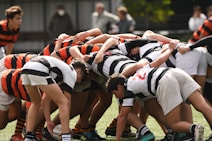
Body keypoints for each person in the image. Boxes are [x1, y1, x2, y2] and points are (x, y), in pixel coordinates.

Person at [106, 66, 212, 141]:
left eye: (114, 93)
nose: (116, 96)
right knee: (203, 106)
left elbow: (122, 117)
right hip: (176, 72)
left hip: (165, 80)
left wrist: (118, 139)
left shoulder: (128, 88)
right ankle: (189, 134)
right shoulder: (138, 75)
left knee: (174, 124)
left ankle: (194, 129)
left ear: (119, 87)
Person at [21, 56, 88, 141]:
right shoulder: (72, 72)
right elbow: (67, 101)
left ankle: (29, 136)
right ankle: (66, 137)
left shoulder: (59, 71)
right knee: (64, 102)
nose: (78, 82)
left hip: (25, 69)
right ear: (79, 72)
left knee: (36, 102)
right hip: (39, 69)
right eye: (80, 78)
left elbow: (46, 100)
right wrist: (66, 128)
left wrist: (48, 121)